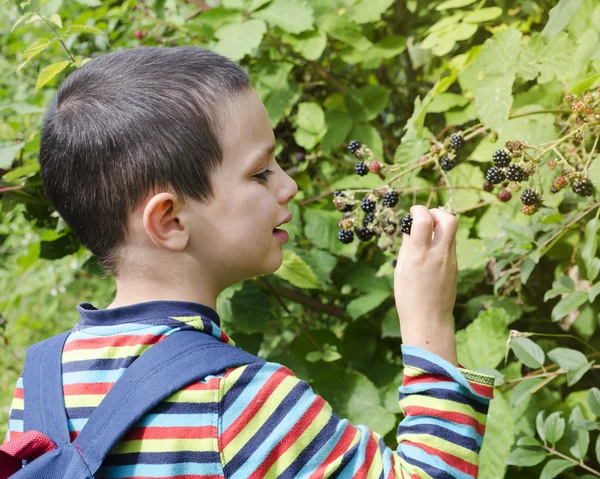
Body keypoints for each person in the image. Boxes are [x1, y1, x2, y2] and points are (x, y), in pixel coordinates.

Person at [3, 46, 494, 478]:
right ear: (171, 220)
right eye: (261, 172)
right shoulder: (239, 401)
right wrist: (428, 322)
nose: (289, 186)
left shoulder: (42, 382)